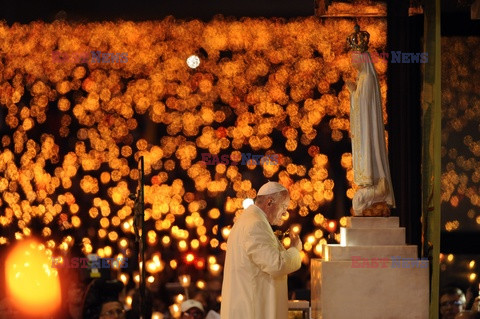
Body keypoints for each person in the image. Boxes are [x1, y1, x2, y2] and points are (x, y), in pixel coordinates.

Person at [220, 181, 302, 319]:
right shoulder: (256, 224)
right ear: (269, 202)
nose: (284, 212)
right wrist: (295, 250)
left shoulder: (247, 220)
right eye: (284, 206)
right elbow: (276, 265)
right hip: (254, 311)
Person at [346, 35, 395, 216]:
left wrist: (353, 92)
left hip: (367, 130)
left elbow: (364, 105)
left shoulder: (366, 79)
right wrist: (354, 92)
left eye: (354, 58)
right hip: (364, 129)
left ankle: (374, 187)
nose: (352, 62)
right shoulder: (364, 79)